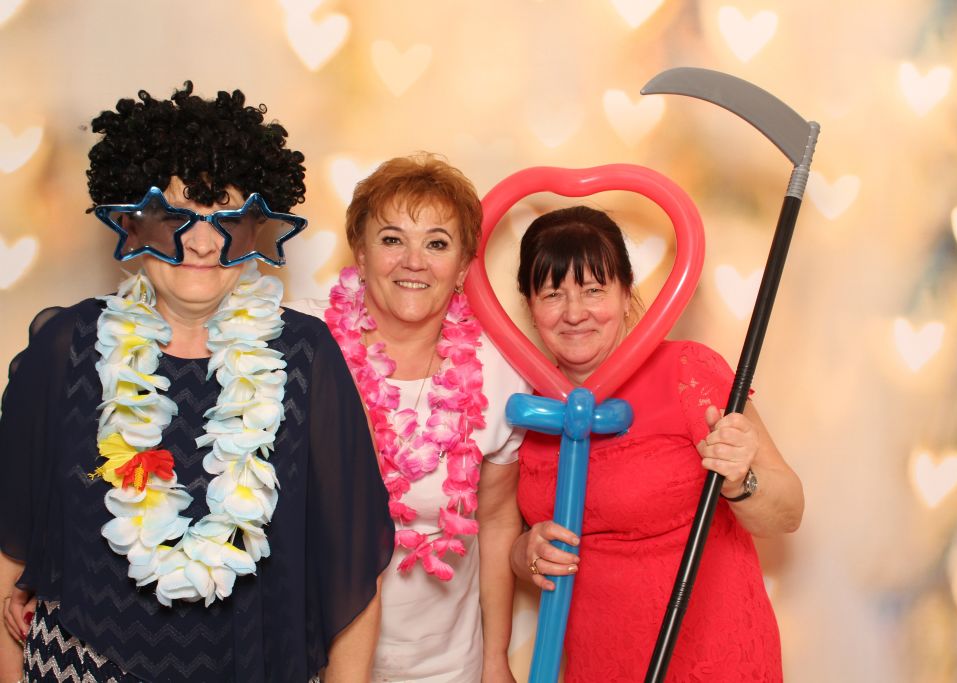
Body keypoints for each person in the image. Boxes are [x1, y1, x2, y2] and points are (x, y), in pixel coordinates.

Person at [0, 82, 394, 683]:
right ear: (132, 223)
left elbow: (352, 566)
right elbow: (9, 540)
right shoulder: (68, 347)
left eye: (227, 218)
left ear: (255, 228)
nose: (203, 243)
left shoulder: (305, 356)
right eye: (174, 217)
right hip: (78, 664)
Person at [511, 205, 804, 681]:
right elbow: (512, 545)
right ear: (529, 306)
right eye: (552, 294)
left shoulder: (687, 370)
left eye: (593, 290)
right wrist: (527, 553)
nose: (574, 313)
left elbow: (788, 511)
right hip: (598, 665)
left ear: (627, 293)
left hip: (713, 660)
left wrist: (740, 482)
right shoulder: (526, 409)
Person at [288, 153, 529, 682]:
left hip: (445, 666)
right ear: (361, 253)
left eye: (437, 243)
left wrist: (495, 660)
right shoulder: (303, 343)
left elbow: (495, 523)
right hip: (311, 659)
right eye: (392, 239)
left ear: (463, 267)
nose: (413, 261)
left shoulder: (501, 371)